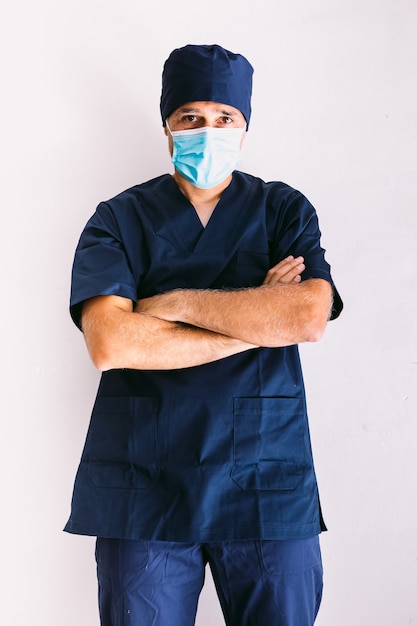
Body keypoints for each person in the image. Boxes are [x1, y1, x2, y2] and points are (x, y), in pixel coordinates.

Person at [65, 43, 343, 626]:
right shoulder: (117, 219)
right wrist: (256, 320)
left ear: (245, 128)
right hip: (145, 487)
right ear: (166, 124)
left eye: (225, 119)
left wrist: (172, 305)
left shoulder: (282, 210)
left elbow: (308, 316)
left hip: (266, 479)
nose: (207, 131)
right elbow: (112, 343)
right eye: (191, 117)